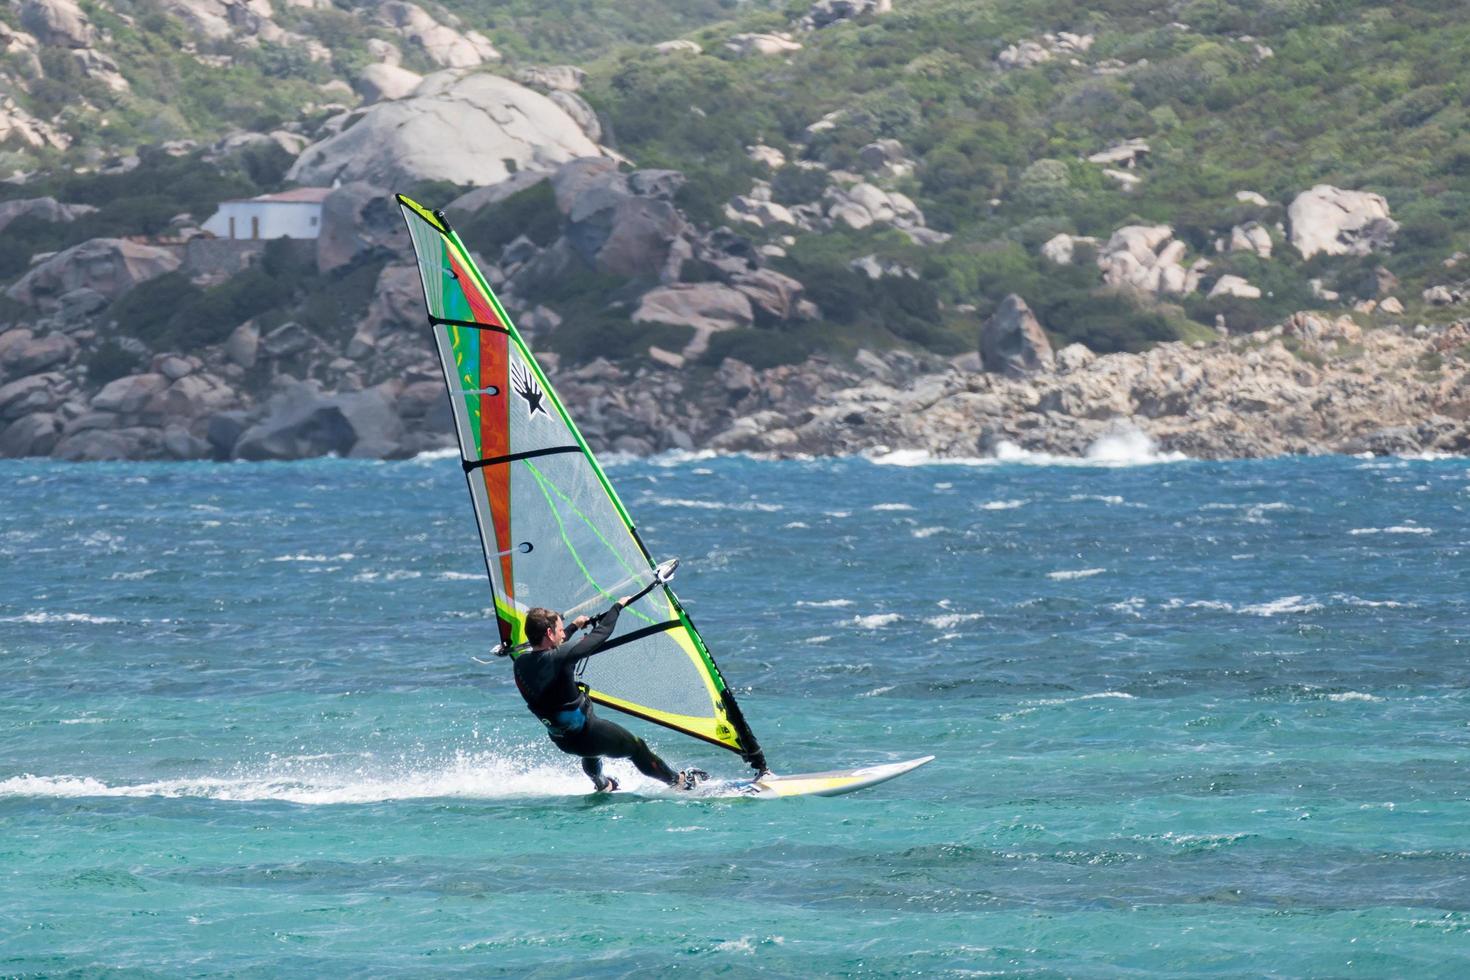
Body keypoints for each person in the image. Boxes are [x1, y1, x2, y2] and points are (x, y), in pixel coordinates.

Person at [509, 597, 705, 793]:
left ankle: (603, 784)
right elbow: (600, 634)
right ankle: (679, 782)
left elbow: (555, 649)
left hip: (562, 740)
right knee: (636, 748)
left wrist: (573, 627)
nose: (563, 634)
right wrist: (617, 607)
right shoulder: (561, 657)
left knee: (591, 753)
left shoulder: (520, 664)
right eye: (559, 630)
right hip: (589, 734)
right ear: (550, 633)